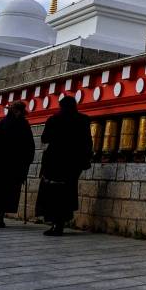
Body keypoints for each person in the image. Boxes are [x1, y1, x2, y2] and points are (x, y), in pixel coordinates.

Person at [35, 96, 93, 236]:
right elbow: (87, 142)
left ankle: (55, 223)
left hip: (54, 161)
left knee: (53, 192)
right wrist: (85, 160)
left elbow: (45, 138)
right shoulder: (83, 120)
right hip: (73, 163)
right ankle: (61, 223)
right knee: (67, 192)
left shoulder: (54, 119)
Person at [0, 102, 35, 228]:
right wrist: (26, 163)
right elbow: (30, 147)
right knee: (6, 190)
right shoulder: (23, 125)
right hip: (12, 165)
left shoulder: (2, 123)